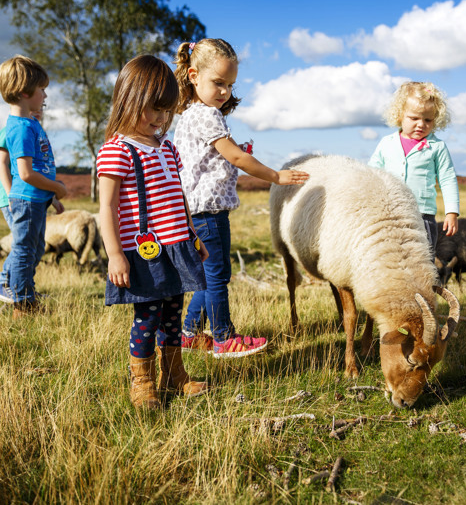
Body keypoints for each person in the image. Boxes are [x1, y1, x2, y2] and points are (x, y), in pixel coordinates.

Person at [173, 38, 309, 358]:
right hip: (210, 212)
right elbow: (234, 157)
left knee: (208, 275)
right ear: (193, 76)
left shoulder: (190, 113)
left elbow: (217, 159)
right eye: (218, 83)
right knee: (218, 276)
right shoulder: (208, 115)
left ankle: (190, 333)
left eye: (230, 85)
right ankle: (224, 338)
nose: (224, 92)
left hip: (196, 210)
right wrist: (277, 176)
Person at [97, 54, 209, 410]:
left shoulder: (168, 147)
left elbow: (179, 198)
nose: (161, 119)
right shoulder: (118, 150)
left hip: (176, 245)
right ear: (129, 100)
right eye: (154, 109)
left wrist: (193, 236)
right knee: (147, 319)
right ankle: (142, 383)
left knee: (174, 316)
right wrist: (115, 254)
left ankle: (175, 376)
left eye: (166, 111)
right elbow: (107, 208)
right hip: (144, 251)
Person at [0, 56, 66, 315]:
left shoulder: (30, 123)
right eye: (42, 89)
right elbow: (26, 173)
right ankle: (23, 302)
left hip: (36, 198)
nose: (45, 94)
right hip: (26, 199)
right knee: (25, 249)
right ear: (26, 92)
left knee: (35, 248)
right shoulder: (20, 129)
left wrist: (51, 196)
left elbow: (38, 167)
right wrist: (58, 187)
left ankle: (20, 287)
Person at [368, 81, 459, 253]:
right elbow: (371, 174)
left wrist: (452, 212)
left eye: (428, 120)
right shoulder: (386, 144)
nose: (421, 124)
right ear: (400, 115)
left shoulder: (437, 147)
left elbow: (447, 179)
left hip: (422, 216)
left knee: (423, 261)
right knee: (390, 258)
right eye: (414, 118)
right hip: (389, 214)